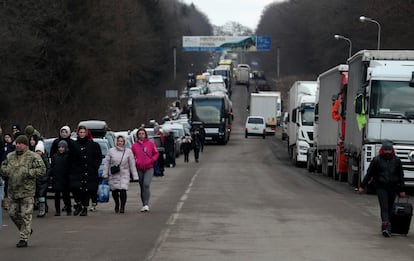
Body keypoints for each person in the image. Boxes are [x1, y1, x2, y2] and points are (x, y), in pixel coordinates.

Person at [0, 135, 46, 248]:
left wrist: (29, 172)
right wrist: (7, 171)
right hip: (13, 191)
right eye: (16, 143)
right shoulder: (10, 156)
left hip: (27, 191)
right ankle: (26, 229)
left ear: (25, 145)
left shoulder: (33, 156)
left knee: (26, 214)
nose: (17, 145)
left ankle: (23, 238)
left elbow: (42, 170)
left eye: (20, 143)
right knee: (12, 213)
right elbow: (2, 167)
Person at [358, 140, 406, 237]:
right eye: (386, 150)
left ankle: (388, 225)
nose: (387, 152)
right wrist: (362, 186)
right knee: (384, 207)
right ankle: (386, 227)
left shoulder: (397, 161)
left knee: (390, 207)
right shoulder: (376, 160)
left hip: (393, 187)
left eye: (389, 150)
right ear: (382, 150)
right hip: (381, 187)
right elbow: (369, 174)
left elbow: (401, 176)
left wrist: (402, 190)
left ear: (392, 150)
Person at [69, 126, 102, 216]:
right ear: (78, 133)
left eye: (84, 132)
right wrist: (72, 167)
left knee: (86, 190)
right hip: (77, 171)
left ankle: (85, 208)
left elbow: (98, 156)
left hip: (89, 171)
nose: (82, 134)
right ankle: (78, 204)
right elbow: (70, 157)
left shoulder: (93, 144)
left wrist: (95, 166)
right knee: (76, 188)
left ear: (86, 133)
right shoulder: (74, 145)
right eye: (80, 132)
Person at [102, 135, 138, 213]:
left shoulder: (128, 152)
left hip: (124, 174)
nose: (120, 143)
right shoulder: (111, 151)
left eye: (121, 141)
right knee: (114, 191)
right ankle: (117, 204)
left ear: (124, 142)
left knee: (123, 190)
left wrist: (135, 176)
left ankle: (122, 207)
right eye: (118, 141)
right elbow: (107, 163)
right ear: (116, 142)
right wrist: (105, 174)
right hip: (114, 174)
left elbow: (132, 164)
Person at [131, 127, 159, 212]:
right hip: (139, 168)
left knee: (146, 184)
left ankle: (146, 204)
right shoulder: (134, 145)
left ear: (145, 134)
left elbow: (156, 153)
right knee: (142, 186)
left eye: (143, 133)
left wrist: (152, 160)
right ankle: (143, 204)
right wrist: (136, 161)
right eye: (139, 134)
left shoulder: (150, 144)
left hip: (149, 168)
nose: (141, 135)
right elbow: (131, 156)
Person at [50, 140, 72, 216]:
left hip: (65, 179)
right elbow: (52, 167)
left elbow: (70, 168)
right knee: (57, 196)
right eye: (59, 147)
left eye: (62, 147)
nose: (61, 149)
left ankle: (69, 210)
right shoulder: (55, 156)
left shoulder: (68, 156)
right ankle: (57, 211)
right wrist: (52, 175)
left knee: (66, 196)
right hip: (57, 179)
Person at [34, 142, 51, 217]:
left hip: (43, 180)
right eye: (37, 151)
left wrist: (45, 177)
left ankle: (42, 210)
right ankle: (42, 208)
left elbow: (48, 169)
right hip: (36, 180)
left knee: (41, 195)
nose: (38, 153)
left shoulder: (45, 159)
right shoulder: (33, 159)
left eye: (39, 151)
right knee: (38, 195)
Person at [1, 133, 15, 210]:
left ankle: (11, 203)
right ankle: (5, 202)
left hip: (11, 167)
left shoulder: (12, 146)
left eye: (8, 137)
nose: (6, 138)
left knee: (10, 185)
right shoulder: (3, 145)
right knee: (4, 185)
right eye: (5, 137)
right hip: (3, 167)